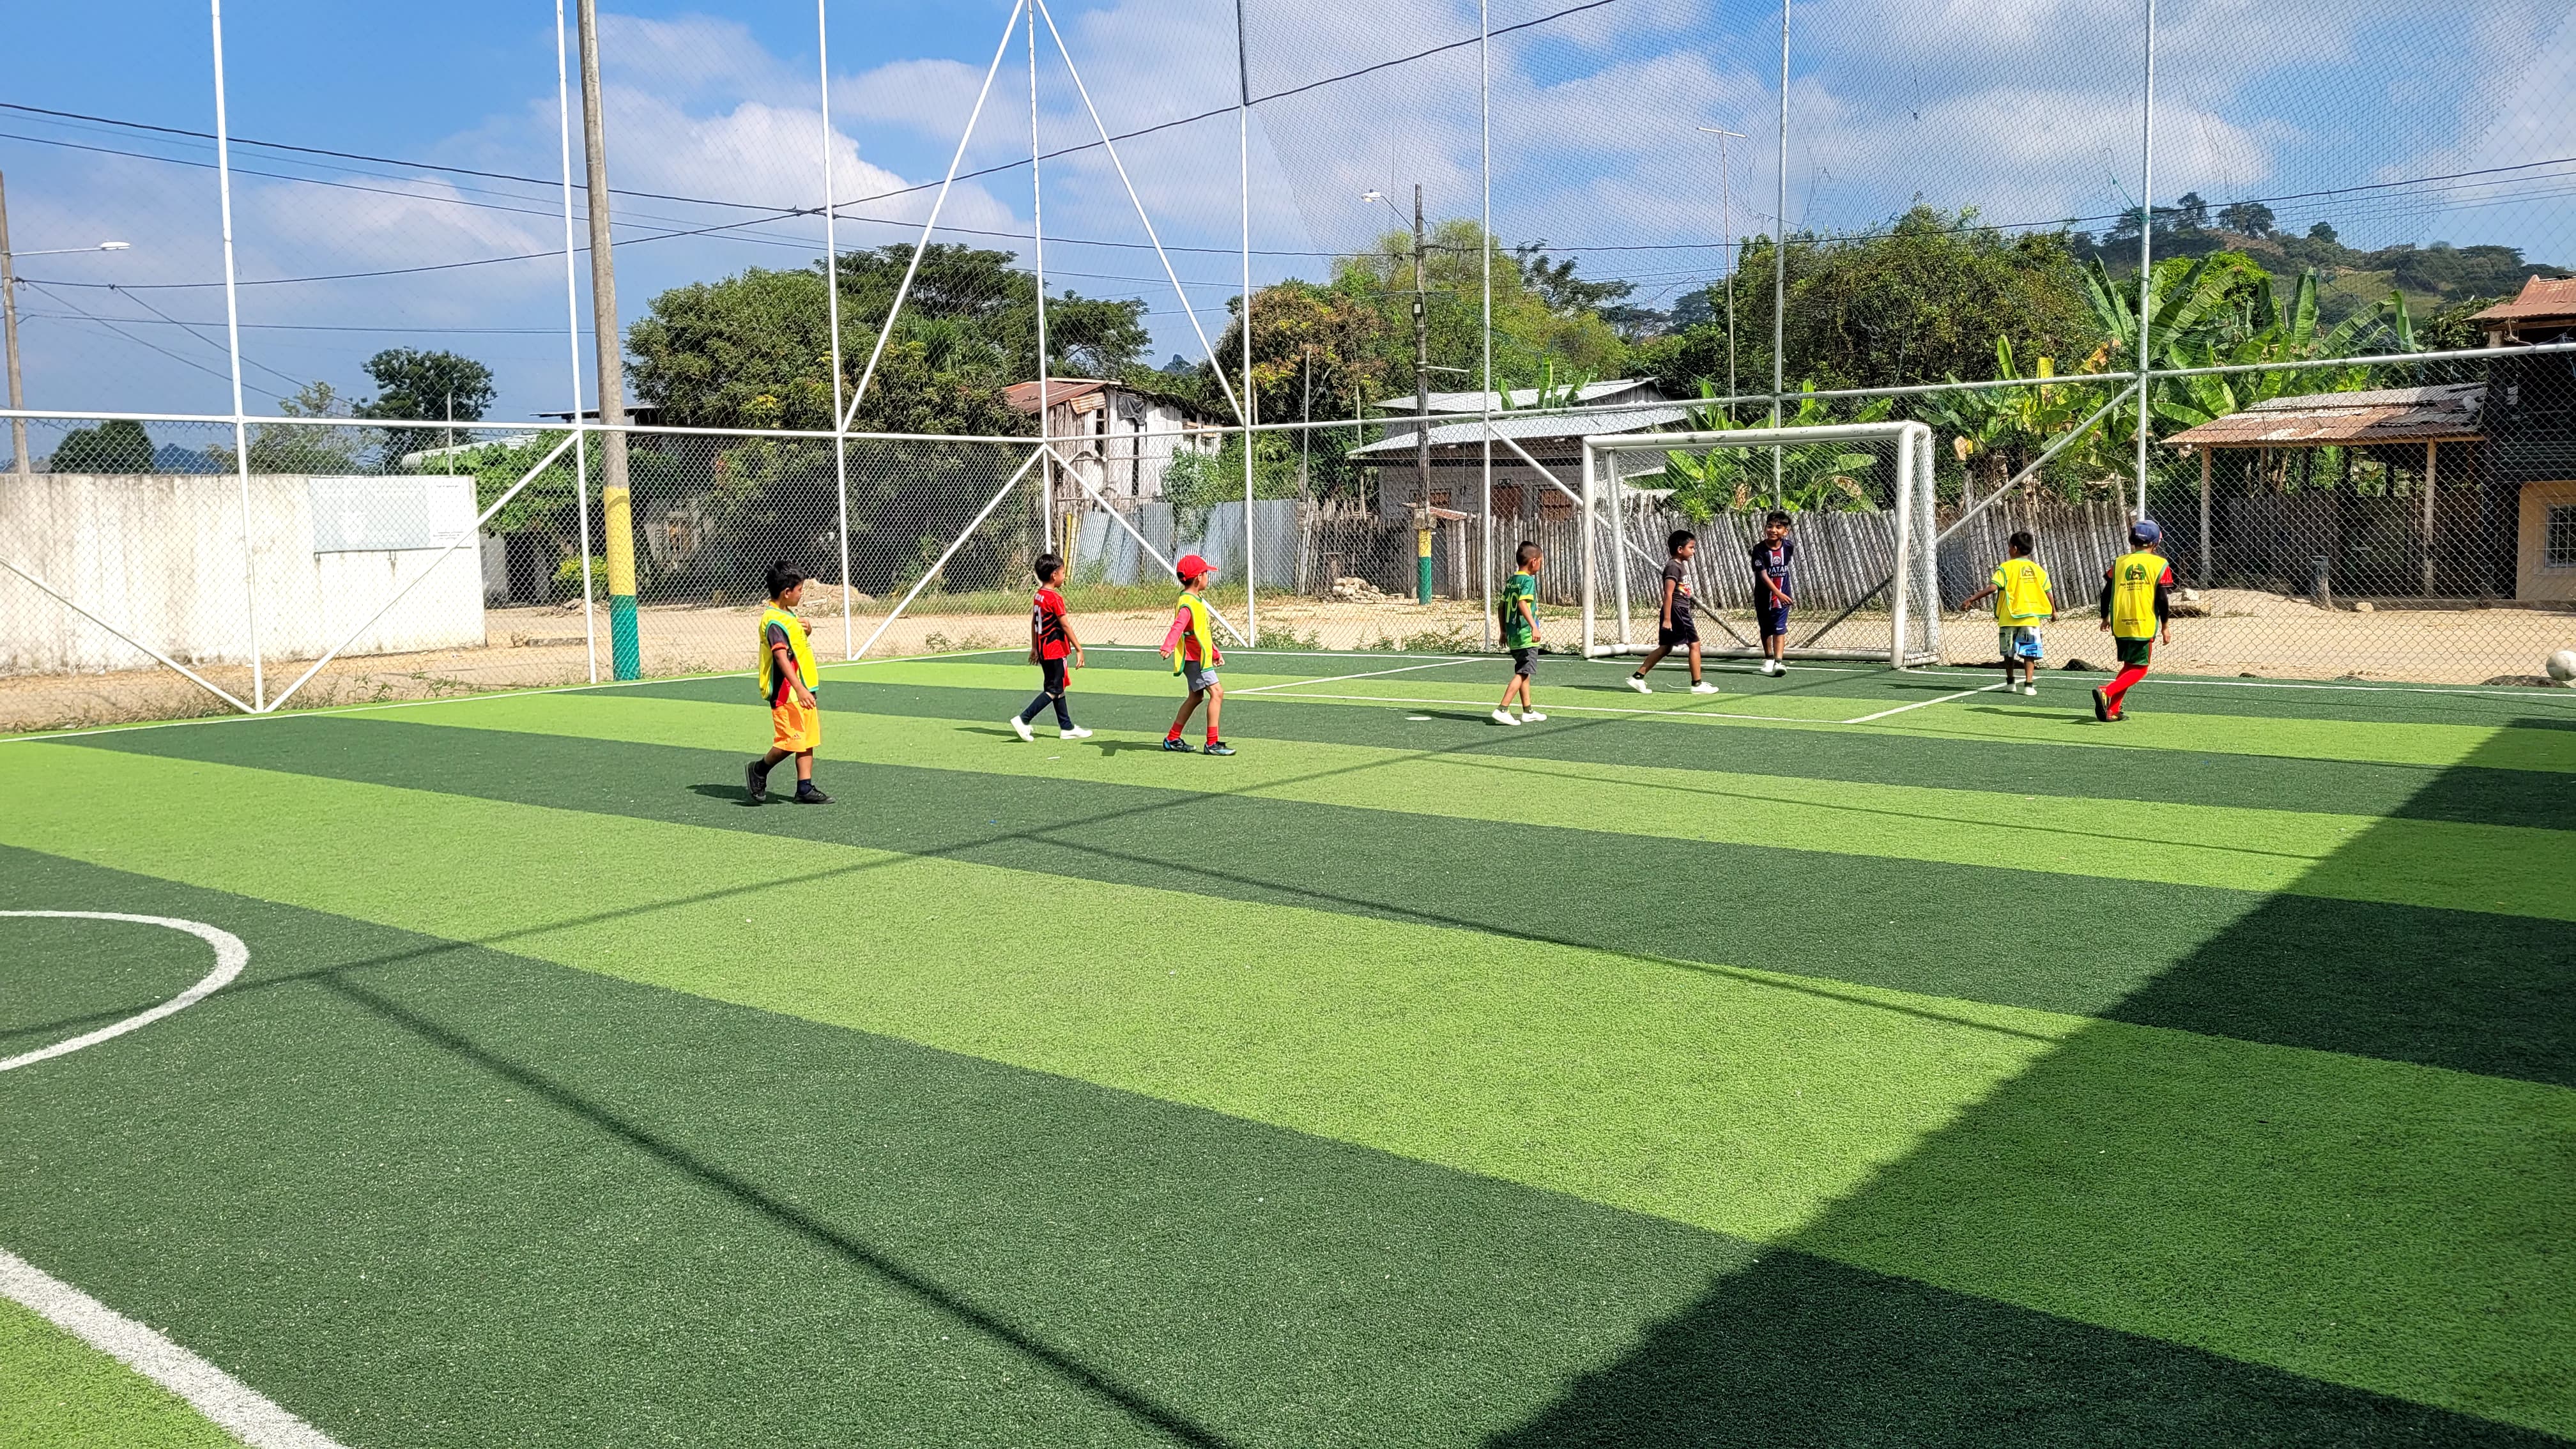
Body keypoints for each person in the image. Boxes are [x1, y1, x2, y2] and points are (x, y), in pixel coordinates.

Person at [746, 562, 831, 804]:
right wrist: (799, 689)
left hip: (804, 689)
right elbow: (781, 657)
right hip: (787, 693)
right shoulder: (774, 621)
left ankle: (805, 787)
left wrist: (808, 630)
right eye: (800, 590)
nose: (802, 594)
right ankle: (759, 770)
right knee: (791, 741)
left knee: (807, 739)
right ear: (787, 592)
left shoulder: (788, 615)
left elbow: (796, 647)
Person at [2095, 519, 2175, 723]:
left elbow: (2106, 593)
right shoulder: (2160, 564)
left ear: (2132, 541)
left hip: (2121, 623)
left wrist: (2105, 616)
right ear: (2156, 543)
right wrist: (2165, 626)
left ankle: (2112, 710)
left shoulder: (2119, 563)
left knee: (2129, 666)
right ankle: (2106, 691)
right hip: (2143, 624)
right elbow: (2162, 598)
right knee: (2140, 669)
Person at [1958, 530, 2055, 696]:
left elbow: (1993, 587)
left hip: (2009, 617)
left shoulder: (2005, 568)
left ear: (2014, 549)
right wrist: (2054, 611)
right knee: (2029, 653)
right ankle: (2029, 685)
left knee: (2008, 652)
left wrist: (1972, 599)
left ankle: (2011, 682)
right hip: (2030, 618)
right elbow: (2048, 591)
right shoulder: (2037, 569)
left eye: (2009, 546)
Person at [1158, 553, 1234, 755]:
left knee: (1196, 696)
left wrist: (1215, 652)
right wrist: (1168, 646)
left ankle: (1172, 738)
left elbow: (1201, 632)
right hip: (1194, 659)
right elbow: (1178, 626)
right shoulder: (1187, 602)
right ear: (1199, 577)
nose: (1208, 577)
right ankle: (1212, 744)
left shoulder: (1195, 600)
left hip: (1199, 657)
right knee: (1217, 693)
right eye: (1206, 573)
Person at [1625, 530, 1720, 695]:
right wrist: (1668, 619)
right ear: (1680, 549)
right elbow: (1668, 593)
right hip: (1677, 611)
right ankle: (1697, 684)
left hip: (1677, 611)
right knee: (1695, 644)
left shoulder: (1679, 566)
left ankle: (1638, 677)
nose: (1694, 551)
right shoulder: (1673, 567)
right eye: (1691, 547)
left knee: (1666, 647)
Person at [1011, 552, 1091, 742]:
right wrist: (1079, 649)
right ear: (1055, 575)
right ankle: (1024, 719)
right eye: (1063, 573)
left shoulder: (1039, 595)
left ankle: (1067, 727)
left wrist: (1034, 647)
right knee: (1054, 689)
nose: (1064, 577)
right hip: (1055, 649)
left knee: (1057, 686)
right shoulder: (1054, 598)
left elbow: (1035, 622)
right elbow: (1065, 625)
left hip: (1043, 648)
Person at [1494, 540, 1549, 724]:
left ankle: (1528, 711)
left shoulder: (1512, 580)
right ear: (1534, 562)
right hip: (1525, 635)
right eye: (1541, 561)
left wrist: (1503, 630)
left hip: (1513, 635)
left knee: (1524, 671)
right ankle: (1503, 708)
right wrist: (1534, 626)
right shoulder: (1527, 581)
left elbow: (1501, 606)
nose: (1540, 565)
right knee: (1523, 672)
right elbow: (1522, 603)